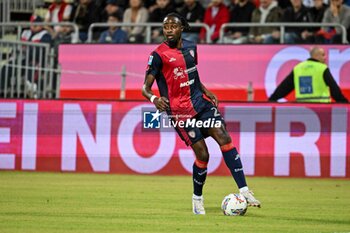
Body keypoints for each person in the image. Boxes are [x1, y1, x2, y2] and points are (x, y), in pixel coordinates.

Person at [142, 12, 261, 215]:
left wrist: (206, 91)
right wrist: (154, 99)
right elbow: (145, 88)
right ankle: (197, 198)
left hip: (201, 104)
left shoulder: (191, 47)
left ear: (181, 29)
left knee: (224, 137)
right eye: (165, 26)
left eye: (173, 26)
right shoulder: (158, 55)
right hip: (180, 112)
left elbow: (193, 76)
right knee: (203, 154)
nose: (169, 29)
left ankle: (245, 190)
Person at [269, 46, 348, 102]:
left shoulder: (298, 68)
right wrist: (344, 102)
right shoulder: (322, 68)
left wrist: (272, 99)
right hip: (322, 108)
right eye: (323, 55)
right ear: (316, 56)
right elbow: (334, 88)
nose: (325, 57)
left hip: (303, 108)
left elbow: (285, 87)